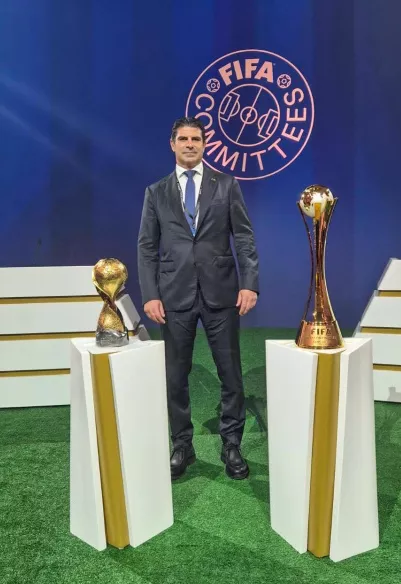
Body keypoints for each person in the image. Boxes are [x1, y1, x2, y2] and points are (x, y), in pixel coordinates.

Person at [137, 116, 259, 480]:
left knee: (230, 373)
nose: (190, 144)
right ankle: (182, 445)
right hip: (174, 295)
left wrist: (250, 283)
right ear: (172, 144)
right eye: (183, 139)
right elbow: (146, 247)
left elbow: (244, 237)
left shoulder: (227, 185)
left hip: (222, 292)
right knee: (176, 375)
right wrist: (150, 295)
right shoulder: (156, 192)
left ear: (205, 144)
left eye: (196, 139)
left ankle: (231, 444)